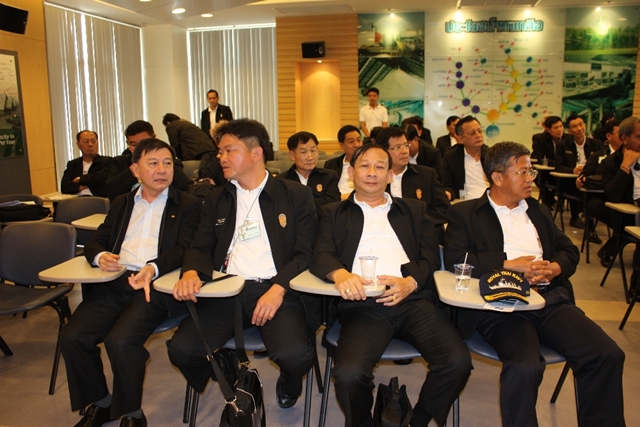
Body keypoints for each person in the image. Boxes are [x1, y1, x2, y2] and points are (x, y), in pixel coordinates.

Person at [444, 141, 625, 427]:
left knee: (606, 354)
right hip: (501, 306)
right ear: (497, 177)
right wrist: (507, 264)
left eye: (531, 172)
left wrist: (554, 268)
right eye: (522, 172)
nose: (530, 178)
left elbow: (569, 251)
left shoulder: (537, 211)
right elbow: (456, 259)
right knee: (525, 367)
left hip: (549, 300)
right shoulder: (466, 214)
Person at [311, 143, 471, 427]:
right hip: (363, 305)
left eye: (380, 167)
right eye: (364, 166)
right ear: (350, 172)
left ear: (390, 175)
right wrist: (340, 274)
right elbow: (321, 254)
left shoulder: (415, 209)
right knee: (348, 375)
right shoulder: (332, 213)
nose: (372, 173)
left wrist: (411, 282)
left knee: (457, 363)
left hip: (413, 301)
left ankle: (415, 421)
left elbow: (430, 257)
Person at [168, 119, 320, 410]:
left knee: (296, 356)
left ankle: (290, 381)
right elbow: (200, 246)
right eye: (220, 152)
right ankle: (222, 368)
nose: (221, 158)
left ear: (256, 153)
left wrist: (278, 289)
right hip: (227, 291)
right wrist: (191, 271)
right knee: (182, 350)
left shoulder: (294, 195)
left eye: (229, 150)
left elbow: (305, 253)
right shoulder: (217, 198)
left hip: (275, 288)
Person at [59, 138, 202, 427]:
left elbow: (185, 248)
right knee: (73, 337)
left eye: (167, 163)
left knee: (121, 341)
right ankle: (101, 403)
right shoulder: (122, 203)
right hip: (115, 282)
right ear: (135, 170)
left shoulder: (188, 204)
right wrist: (100, 256)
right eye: (153, 163)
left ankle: (132, 413)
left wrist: (153, 267)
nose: (162, 170)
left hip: (155, 285)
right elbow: (97, 240)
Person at [376, 127, 449, 236]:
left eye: (406, 145)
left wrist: (415, 220)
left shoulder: (426, 175)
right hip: (384, 235)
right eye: (397, 147)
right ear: (383, 152)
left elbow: (444, 210)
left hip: (421, 235)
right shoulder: (375, 178)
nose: (404, 151)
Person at [105, 120, 189, 200]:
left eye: (144, 143)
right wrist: (134, 171)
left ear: (154, 138)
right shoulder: (120, 161)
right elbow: (110, 192)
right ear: (128, 144)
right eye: (134, 144)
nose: (140, 149)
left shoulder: (168, 161)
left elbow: (183, 186)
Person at [600, 117, 640, 269]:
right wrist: (625, 166)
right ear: (625, 139)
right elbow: (613, 195)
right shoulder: (610, 163)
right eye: (639, 137)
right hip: (623, 214)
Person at [555, 114, 604, 228]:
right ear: (569, 130)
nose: (579, 128)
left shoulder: (596, 144)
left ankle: (587, 218)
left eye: (581, 124)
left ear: (585, 125)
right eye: (574, 126)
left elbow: (602, 165)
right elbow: (559, 166)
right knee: (576, 186)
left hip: (590, 180)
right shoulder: (563, 145)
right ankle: (578, 217)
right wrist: (573, 170)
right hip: (571, 181)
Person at [277, 131, 340, 211]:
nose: (310, 157)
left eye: (313, 151)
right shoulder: (282, 181)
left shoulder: (329, 176)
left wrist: (298, 204)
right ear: (292, 155)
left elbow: (333, 203)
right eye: (303, 152)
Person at [441, 116, 489, 201]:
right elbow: (448, 186)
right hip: (464, 202)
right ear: (460, 138)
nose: (478, 135)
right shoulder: (451, 157)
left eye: (479, 131)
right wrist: (447, 194)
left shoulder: (492, 155)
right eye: (472, 133)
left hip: (490, 201)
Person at [60, 130, 113, 198]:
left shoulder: (107, 161)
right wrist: (88, 184)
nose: (90, 144)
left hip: (98, 200)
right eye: (86, 141)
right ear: (78, 145)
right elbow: (65, 187)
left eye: (93, 141)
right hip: (75, 200)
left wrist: (79, 179)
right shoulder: (73, 164)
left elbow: (101, 178)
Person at [531, 116, 564, 208]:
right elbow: (541, 158)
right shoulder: (539, 139)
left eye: (561, 126)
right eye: (556, 128)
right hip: (546, 171)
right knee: (537, 175)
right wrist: (556, 163)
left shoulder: (568, 139)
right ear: (548, 129)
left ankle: (553, 199)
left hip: (562, 170)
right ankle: (548, 199)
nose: (559, 130)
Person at [324, 125, 363, 199]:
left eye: (359, 140)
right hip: (338, 202)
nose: (357, 145)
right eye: (351, 141)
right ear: (342, 145)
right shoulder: (331, 165)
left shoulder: (370, 164)